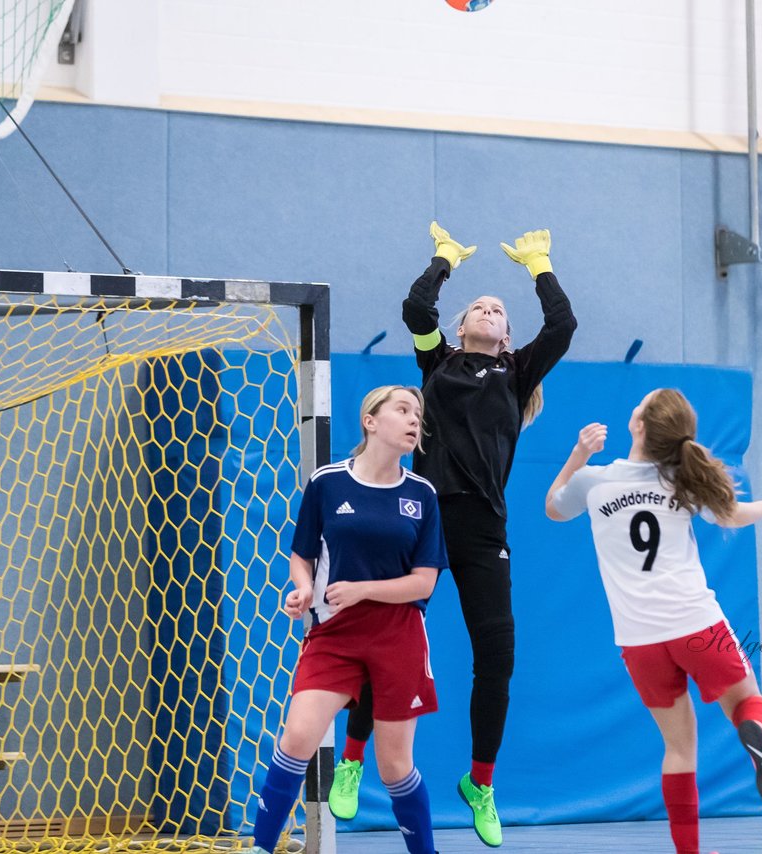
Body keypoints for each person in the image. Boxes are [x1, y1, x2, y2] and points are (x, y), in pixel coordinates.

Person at [328, 222, 577, 848]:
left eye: (500, 310)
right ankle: (354, 757)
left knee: (498, 657)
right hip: (424, 520)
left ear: (507, 336)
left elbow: (564, 326)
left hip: (485, 528)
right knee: (384, 642)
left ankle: (481, 784)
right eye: (480, 307)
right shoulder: (436, 361)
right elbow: (416, 308)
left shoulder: (517, 372)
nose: (490, 310)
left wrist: (539, 267)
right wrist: (443, 261)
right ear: (463, 326)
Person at [543, 388, 762, 854]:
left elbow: (553, 508)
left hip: (639, 640)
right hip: (695, 622)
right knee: (747, 702)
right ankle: (758, 738)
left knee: (678, 748)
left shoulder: (596, 482)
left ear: (638, 427)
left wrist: (577, 455)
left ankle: (688, 853)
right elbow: (730, 515)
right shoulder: (681, 480)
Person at [248, 385, 447, 854]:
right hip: (334, 634)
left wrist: (363, 591)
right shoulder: (327, 482)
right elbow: (302, 557)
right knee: (297, 736)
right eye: (403, 409)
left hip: (398, 636)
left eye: (417, 412)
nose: (414, 418)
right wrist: (300, 589)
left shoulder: (422, 494)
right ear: (370, 421)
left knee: (395, 765)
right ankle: (261, 846)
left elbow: (424, 584)